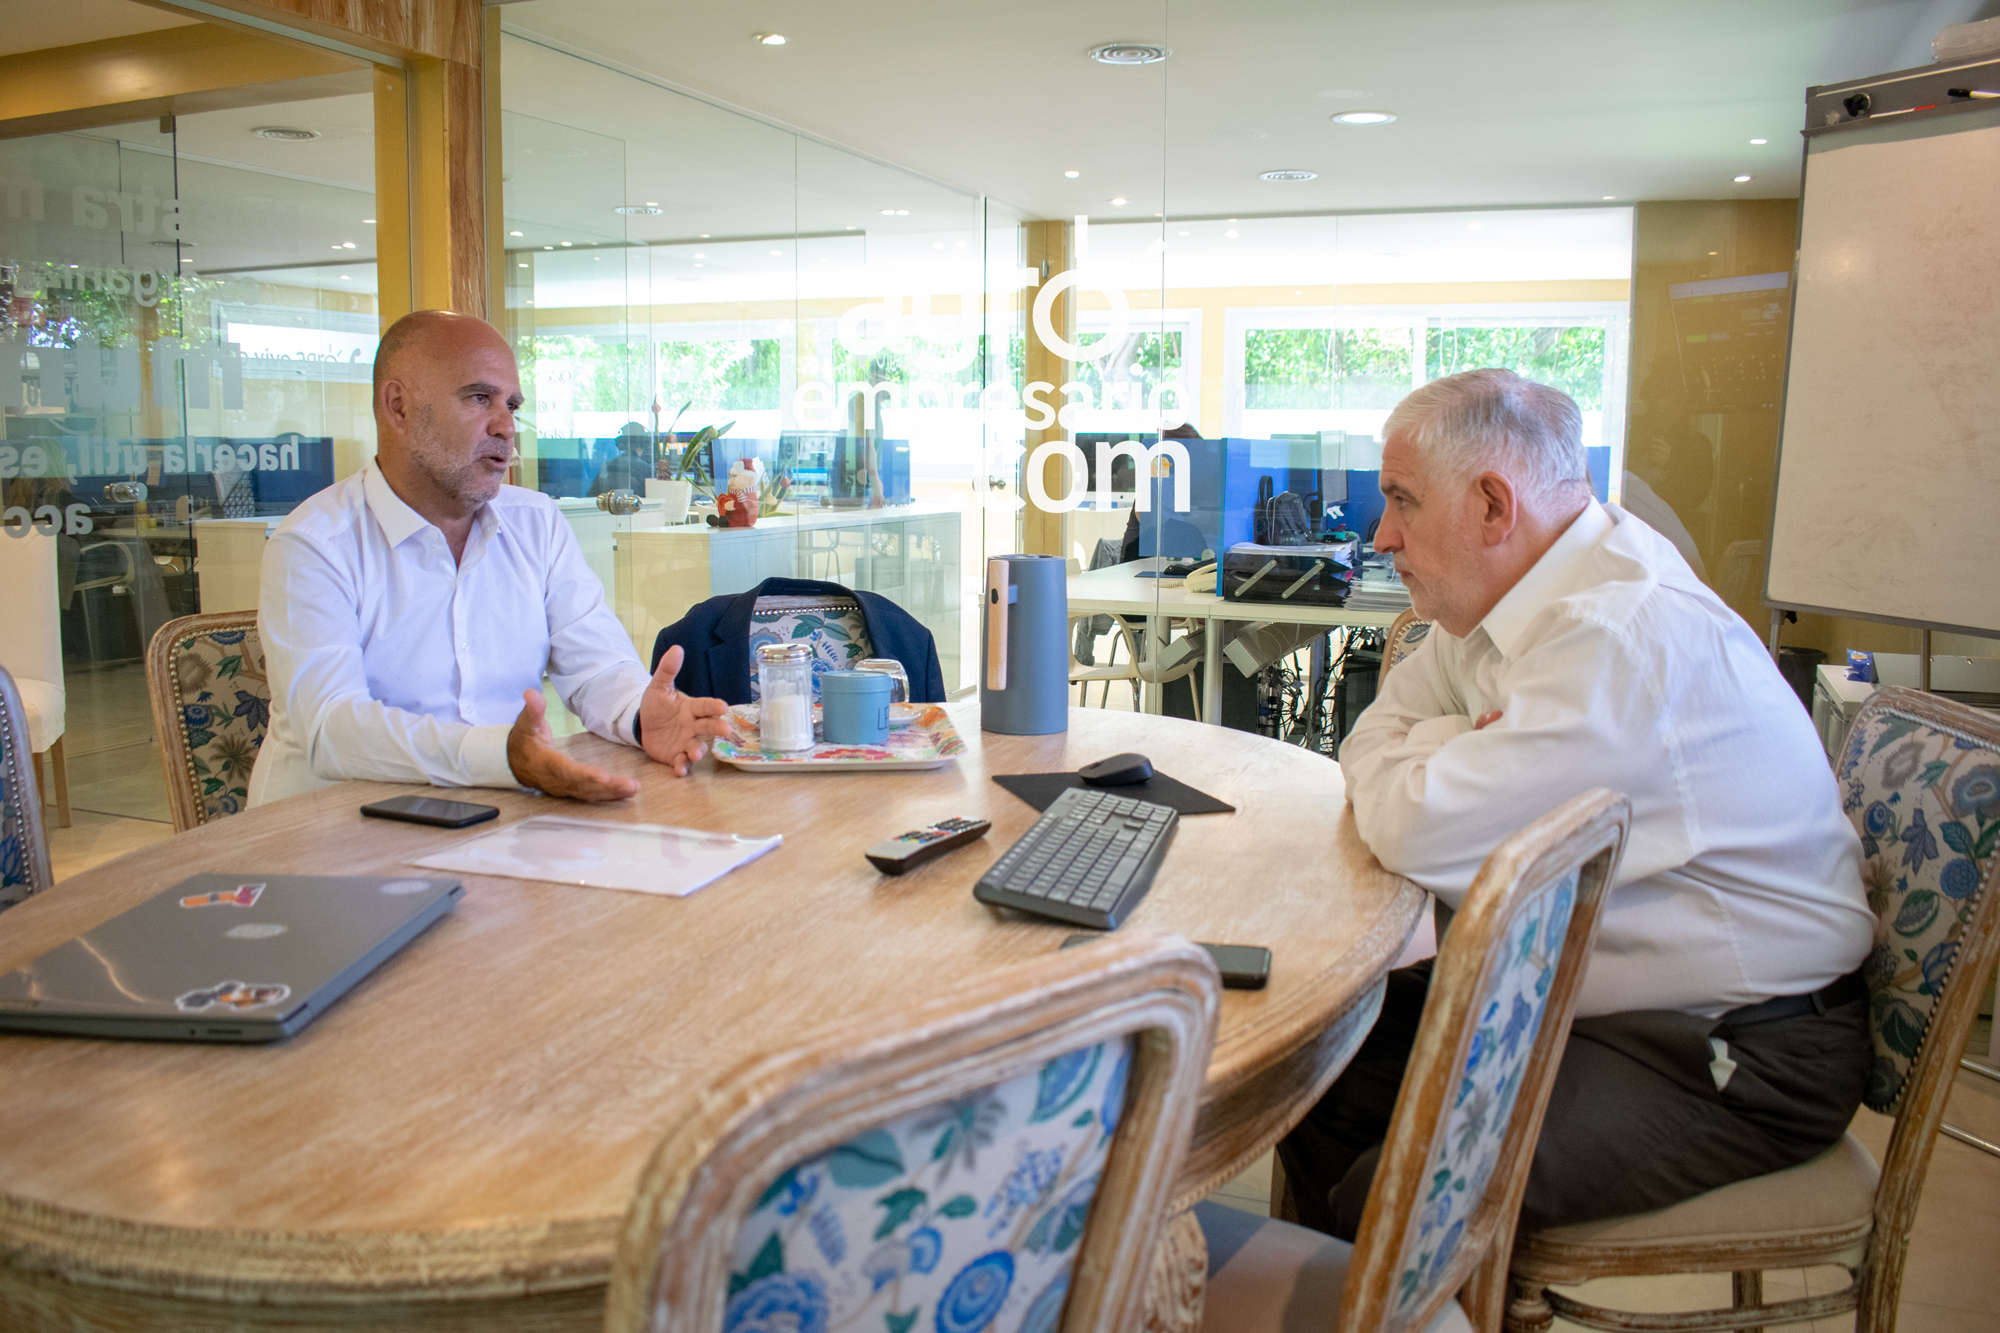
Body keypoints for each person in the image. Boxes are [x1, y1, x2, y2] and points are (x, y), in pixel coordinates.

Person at [1279, 368, 1874, 1237]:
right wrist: (1451, 743)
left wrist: (1434, 755)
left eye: (1402, 500)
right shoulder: (1522, 591)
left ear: (1492, 505)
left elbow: (1414, 825)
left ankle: (1384, 1285)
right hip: (1591, 1001)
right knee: (1316, 1058)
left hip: (1736, 1048)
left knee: (1402, 1196)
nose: (1383, 534)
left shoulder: (1620, 635)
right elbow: (1377, 728)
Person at [247, 310, 729, 807]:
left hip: (498, 816)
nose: (505, 426)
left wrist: (639, 714)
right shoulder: (313, 544)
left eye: (512, 405)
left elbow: (597, 666)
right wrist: (500, 756)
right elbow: (333, 729)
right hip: (329, 836)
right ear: (398, 407)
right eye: (479, 398)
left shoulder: (535, 523)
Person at [587, 422, 657, 497]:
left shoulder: (609, 465)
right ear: (645, 443)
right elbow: (654, 497)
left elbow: (592, 494)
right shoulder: (648, 469)